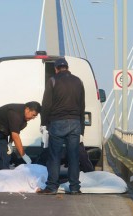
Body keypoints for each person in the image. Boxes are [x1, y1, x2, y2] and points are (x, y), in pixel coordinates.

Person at [37, 58, 85, 195]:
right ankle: (75, 187)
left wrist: (44, 122)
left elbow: (46, 105)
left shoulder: (52, 81)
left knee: (54, 156)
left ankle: (52, 187)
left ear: (56, 69)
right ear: (67, 67)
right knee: (74, 156)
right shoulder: (78, 81)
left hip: (57, 122)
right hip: (75, 122)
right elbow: (82, 105)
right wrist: (82, 128)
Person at [0, 101, 41, 174]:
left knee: (6, 154)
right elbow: (15, 136)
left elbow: (14, 130)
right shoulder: (15, 114)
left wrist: (10, 143)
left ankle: (4, 176)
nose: (33, 118)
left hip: (2, 130)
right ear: (27, 109)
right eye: (33, 115)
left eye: (35, 116)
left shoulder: (24, 120)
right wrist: (23, 155)